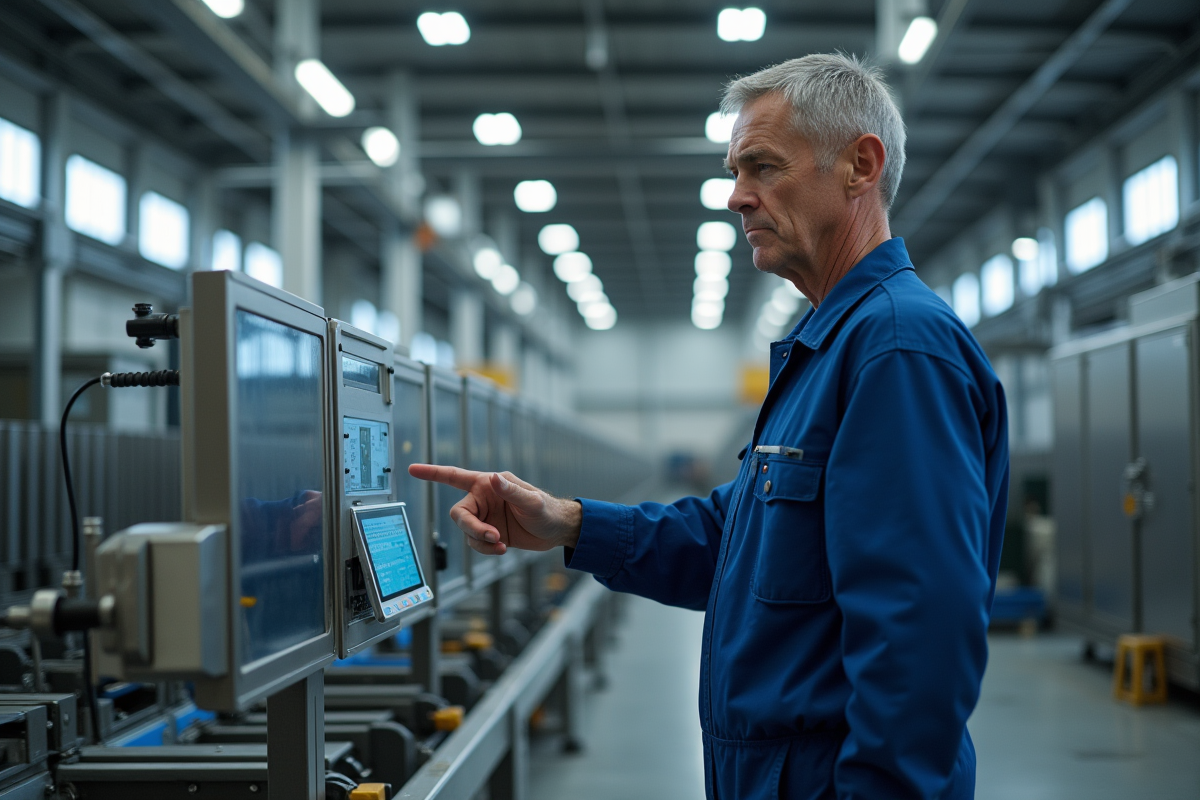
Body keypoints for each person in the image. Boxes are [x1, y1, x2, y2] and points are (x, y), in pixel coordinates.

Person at [411, 53, 1008, 800]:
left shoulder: (895, 349)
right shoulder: (829, 346)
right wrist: (567, 522)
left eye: (762, 167)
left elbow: (919, 638)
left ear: (860, 164)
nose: (736, 198)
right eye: (735, 171)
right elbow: (738, 544)